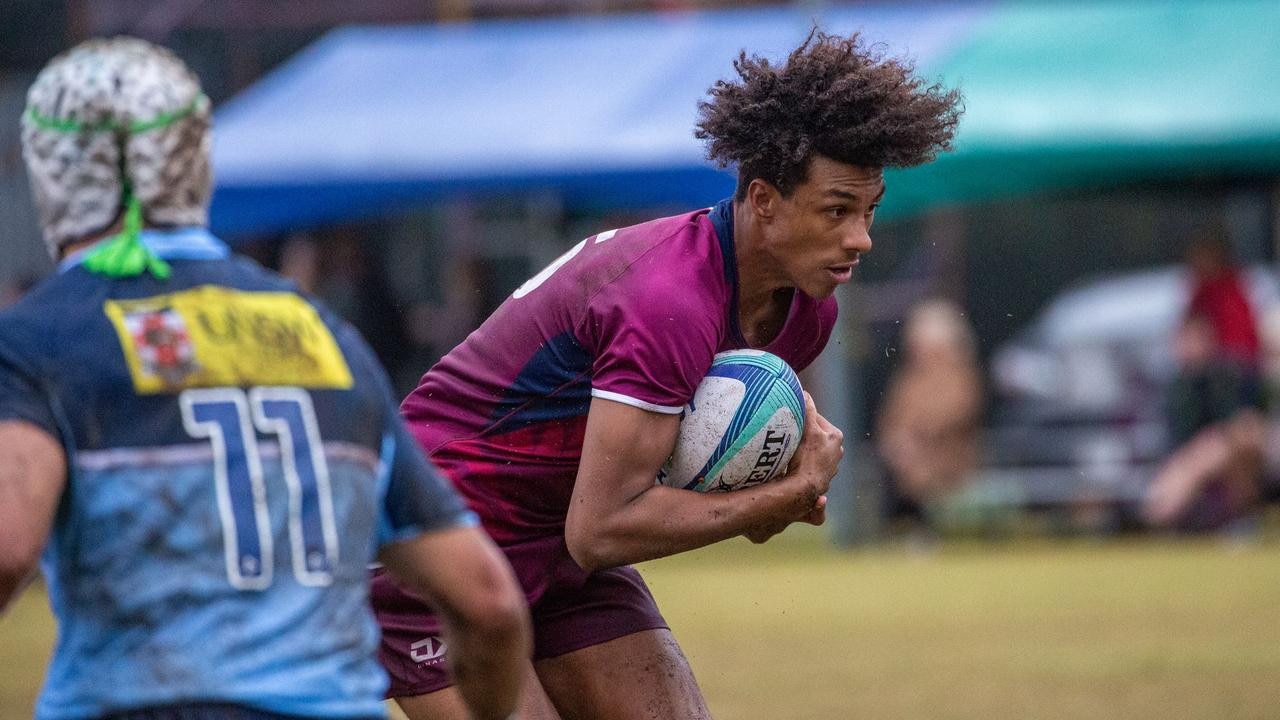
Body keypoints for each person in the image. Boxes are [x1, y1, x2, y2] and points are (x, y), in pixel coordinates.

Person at [373, 31, 962, 719]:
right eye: (836, 210)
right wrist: (782, 495)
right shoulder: (666, 301)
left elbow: (661, 486)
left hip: (563, 545)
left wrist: (774, 480)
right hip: (436, 537)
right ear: (764, 201)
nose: (860, 237)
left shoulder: (806, 312)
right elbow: (602, 528)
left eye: (869, 210)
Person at [0, 37, 530, 720]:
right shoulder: (318, 333)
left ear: (50, 174)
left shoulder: (42, 337)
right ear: (197, 161)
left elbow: (10, 549)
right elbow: (486, 602)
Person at [875, 298, 983, 530]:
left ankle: (918, 529)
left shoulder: (961, 376)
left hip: (947, 459)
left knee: (917, 471)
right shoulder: (907, 378)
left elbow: (957, 415)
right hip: (905, 458)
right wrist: (897, 441)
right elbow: (890, 420)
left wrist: (916, 438)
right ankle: (900, 529)